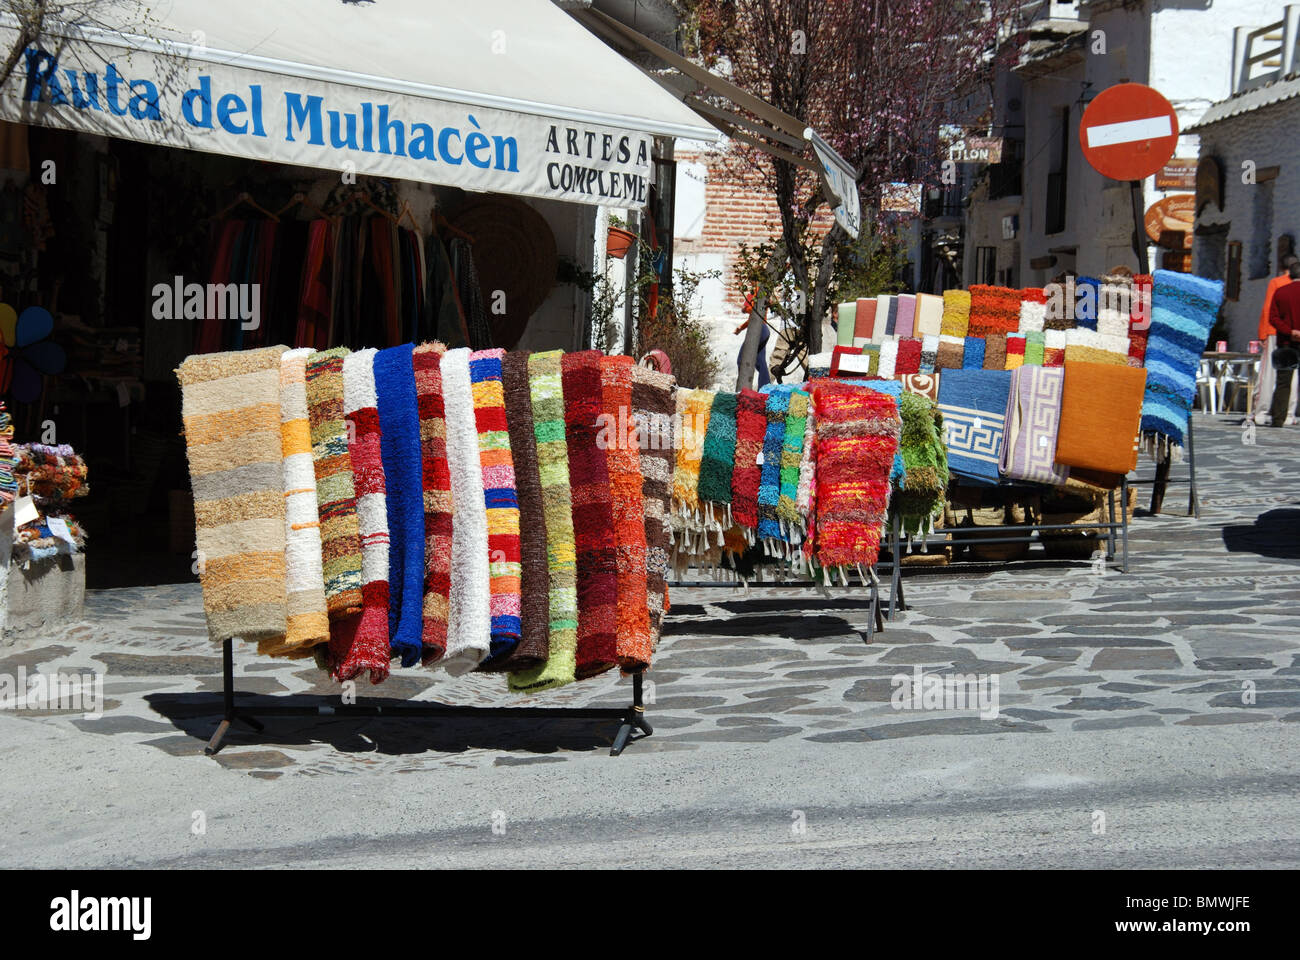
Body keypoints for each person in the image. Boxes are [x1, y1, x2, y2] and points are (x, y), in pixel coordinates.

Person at [1254, 255, 1299, 424]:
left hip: (1277, 333)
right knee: (1293, 377)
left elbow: (1268, 310)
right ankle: (1289, 413)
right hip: (1293, 334)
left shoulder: (1277, 284)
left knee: (1270, 374)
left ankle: (1262, 412)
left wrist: (1262, 333)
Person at [1267, 260, 1300, 425]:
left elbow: (1273, 318)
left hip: (1286, 342)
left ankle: (1278, 418)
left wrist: (1290, 331)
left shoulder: (1280, 292)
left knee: (1283, 382)